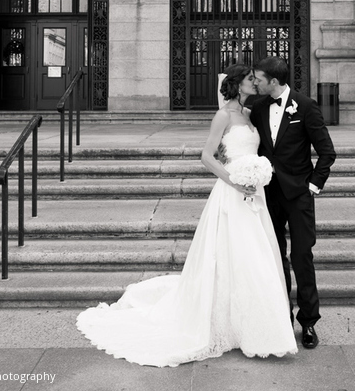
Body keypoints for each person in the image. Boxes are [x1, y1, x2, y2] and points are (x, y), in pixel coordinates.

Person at [76, 64, 297, 366]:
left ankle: (254, 324)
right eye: (250, 79)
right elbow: (206, 156)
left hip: (253, 193)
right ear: (237, 84)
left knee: (254, 255)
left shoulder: (249, 113)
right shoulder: (222, 116)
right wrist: (234, 180)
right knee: (235, 253)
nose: (254, 83)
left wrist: (257, 174)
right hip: (232, 191)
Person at [250, 56, 336, 350]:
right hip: (268, 194)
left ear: (273, 81)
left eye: (259, 79)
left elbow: (327, 152)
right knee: (275, 257)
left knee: (301, 257)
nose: (255, 83)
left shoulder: (306, 106)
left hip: (299, 195)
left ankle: (308, 322)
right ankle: (282, 316)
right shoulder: (258, 107)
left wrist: (313, 185)